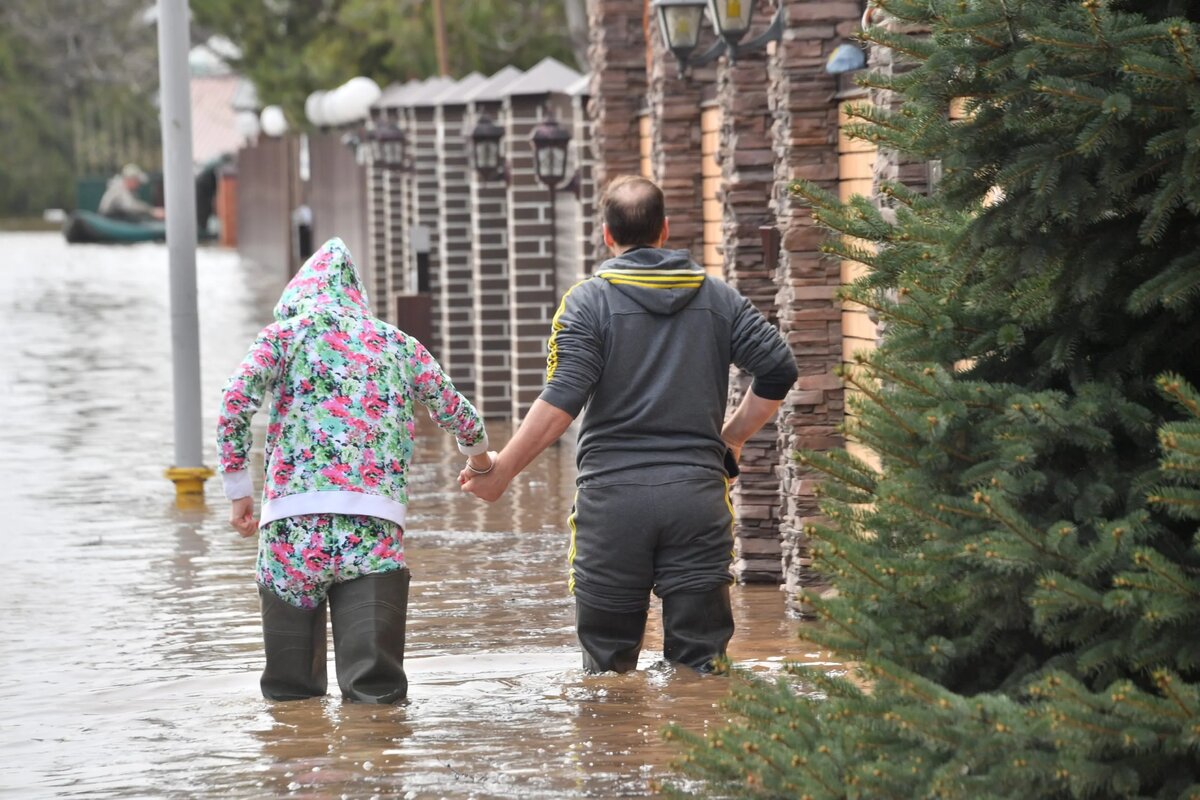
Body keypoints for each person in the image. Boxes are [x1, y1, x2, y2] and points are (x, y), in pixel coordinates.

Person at [460, 175, 798, 674]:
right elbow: (779, 368)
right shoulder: (719, 299)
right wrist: (732, 438)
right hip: (696, 500)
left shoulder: (588, 302)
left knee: (606, 676)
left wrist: (504, 470)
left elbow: (564, 399)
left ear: (606, 235)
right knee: (702, 672)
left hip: (612, 507)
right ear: (665, 231)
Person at [217, 237, 492, 703]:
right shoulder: (397, 343)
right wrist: (481, 458)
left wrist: (239, 492)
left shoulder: (283, 337)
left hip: (291, 533)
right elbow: (458, 412)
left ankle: (298, 757)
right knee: (376, 694)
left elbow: (234, 403)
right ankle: (374, 770)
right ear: (354, 295)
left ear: (300, 293)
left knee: (291, 695)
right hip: (373, 530)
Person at [97, 163, 164, 222]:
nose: (139, 184)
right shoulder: (119, 188)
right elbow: (130, 206)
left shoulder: (128, 189)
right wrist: (152, 211)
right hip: (110, 220)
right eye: (137, 181)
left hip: (117, 218)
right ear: (130, 180)